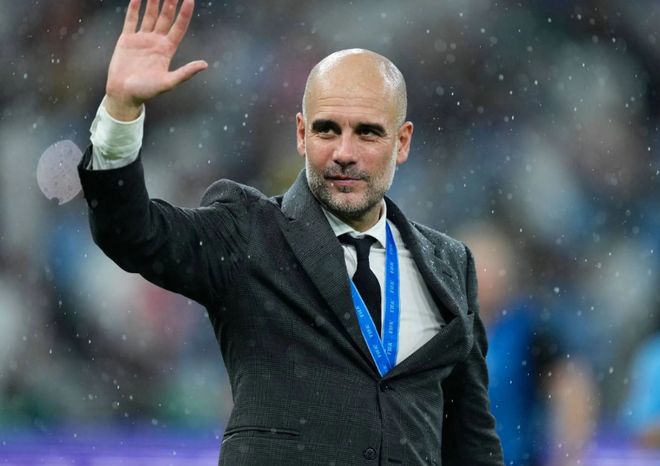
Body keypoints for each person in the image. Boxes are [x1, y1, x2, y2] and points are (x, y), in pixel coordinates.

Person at [77, 0, 504, 464]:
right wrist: (121, 110)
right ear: (301, 134)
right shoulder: (248, 231)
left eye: (367, 133)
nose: (344, 152)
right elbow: (132, 232)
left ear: (401, 142)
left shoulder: (450, 263)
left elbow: (472, 441)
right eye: (327, 130)